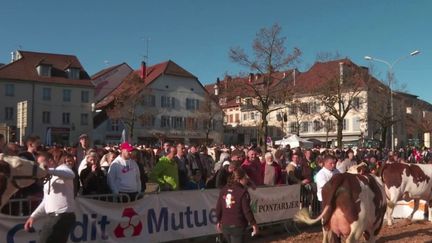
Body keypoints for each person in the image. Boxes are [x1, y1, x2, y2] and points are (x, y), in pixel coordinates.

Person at [24, 151, 76, 243]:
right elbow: (46, 201)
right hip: (56, 216)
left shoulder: (62, 168)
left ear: (51, 161)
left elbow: (71, 174)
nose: (40, 167)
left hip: (60, 216)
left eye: (42, 164)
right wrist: (33, 216)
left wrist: (48, 170)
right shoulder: (49, 177)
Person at [216, 168, 258, 243]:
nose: (247, 179)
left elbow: (219, 208)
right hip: (238, 226)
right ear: (239, 179)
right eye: (245, 178)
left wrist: (218, 221)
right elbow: (247, 211)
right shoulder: (242, 192)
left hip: (226, 226)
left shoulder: (224, 190)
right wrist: (254, 224)